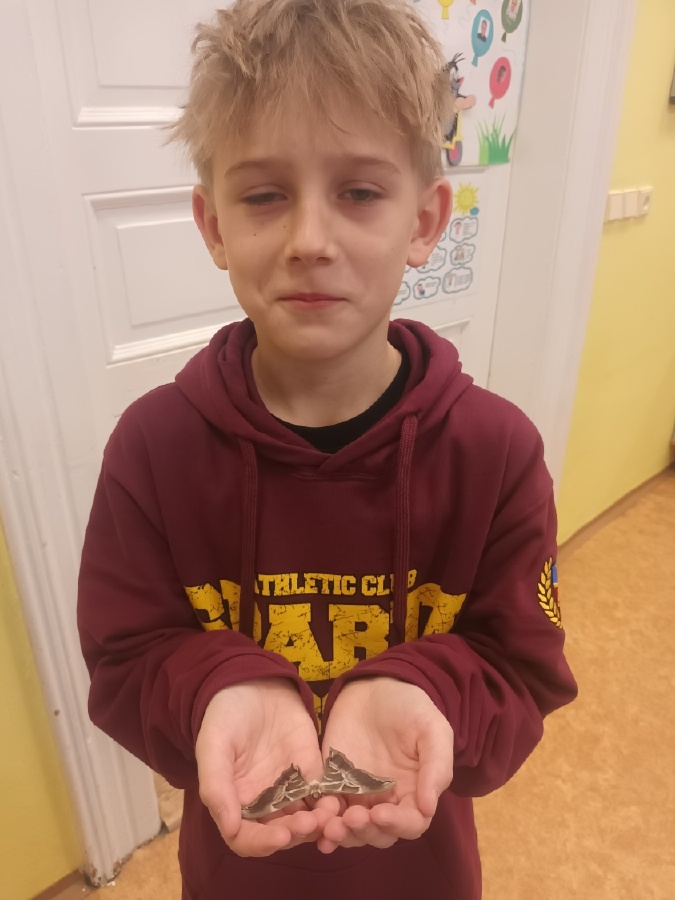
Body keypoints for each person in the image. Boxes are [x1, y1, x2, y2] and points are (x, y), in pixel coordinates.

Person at [77, 1, 577, 898]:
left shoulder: (497, 454)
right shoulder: (150, 449)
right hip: (234, 874)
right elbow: (124, 660)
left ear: (424, 220)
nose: (310, 241)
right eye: (264, 195)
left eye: (359, 192)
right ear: (213, 225)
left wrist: (427, 690)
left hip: (420, 876)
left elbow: (522, 667)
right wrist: (217, 687)